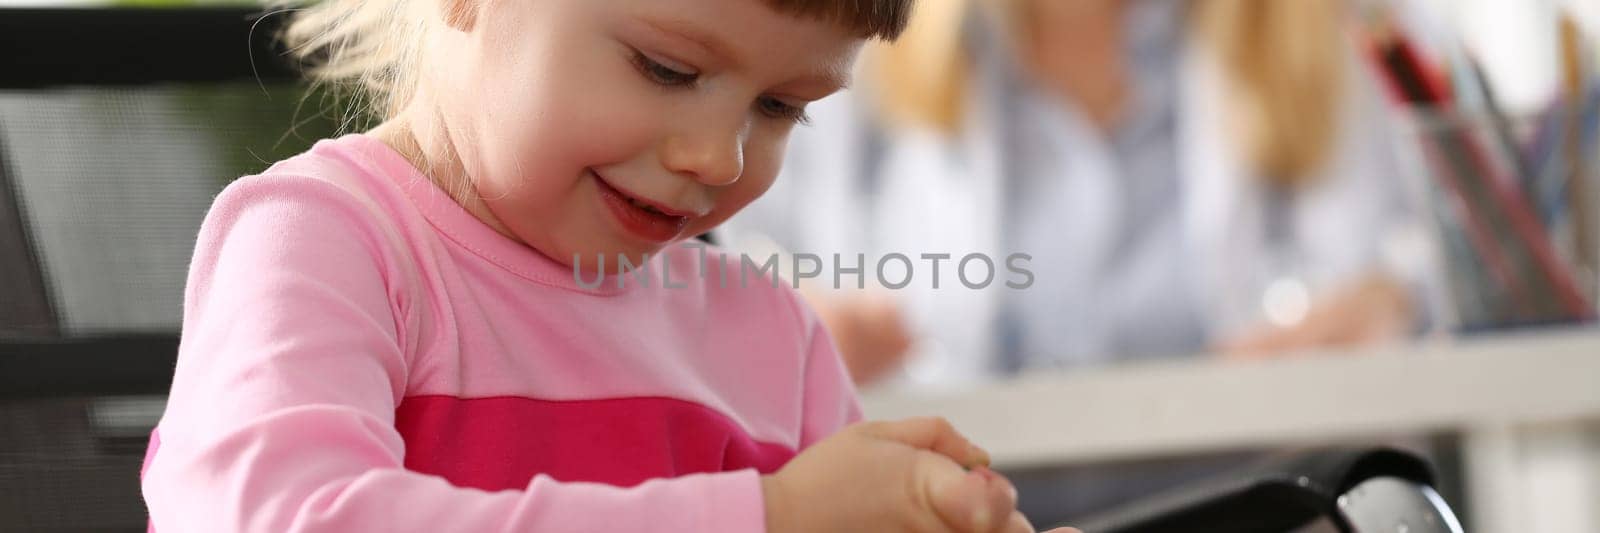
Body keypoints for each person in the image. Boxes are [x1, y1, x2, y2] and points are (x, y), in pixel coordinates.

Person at [137, 1, 1077, 532]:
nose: (720, 157)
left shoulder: (769, 339)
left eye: (782, 107)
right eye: (666, 70)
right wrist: (767, 517)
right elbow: (276, 518)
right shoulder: (326, 241)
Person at [732, 0, 1433, 387]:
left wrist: (1398, 298)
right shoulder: (844, 36)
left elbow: (1446, 259)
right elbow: (730, 258)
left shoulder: (1339, 31)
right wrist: (790, 322)